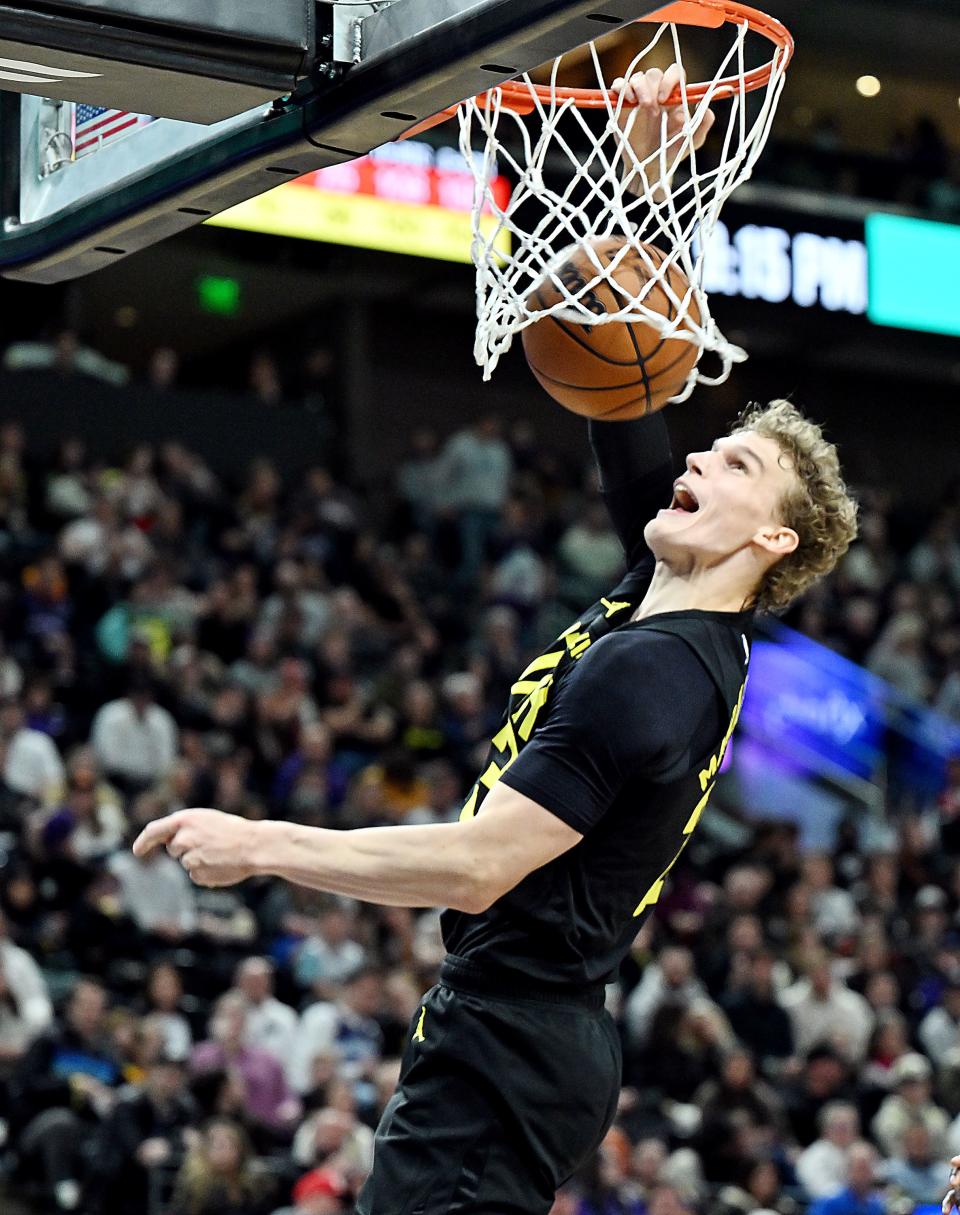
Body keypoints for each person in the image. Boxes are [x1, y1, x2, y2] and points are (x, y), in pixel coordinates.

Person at [132, 63, 859, 1215]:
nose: (691, 463)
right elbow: (627, 400)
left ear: (771, 538)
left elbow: (478, 862)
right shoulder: (665, 607)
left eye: (729, 466)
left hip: (513, 1041)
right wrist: (641, 178)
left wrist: (262, 842)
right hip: (523, 1033)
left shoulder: (653, 675)